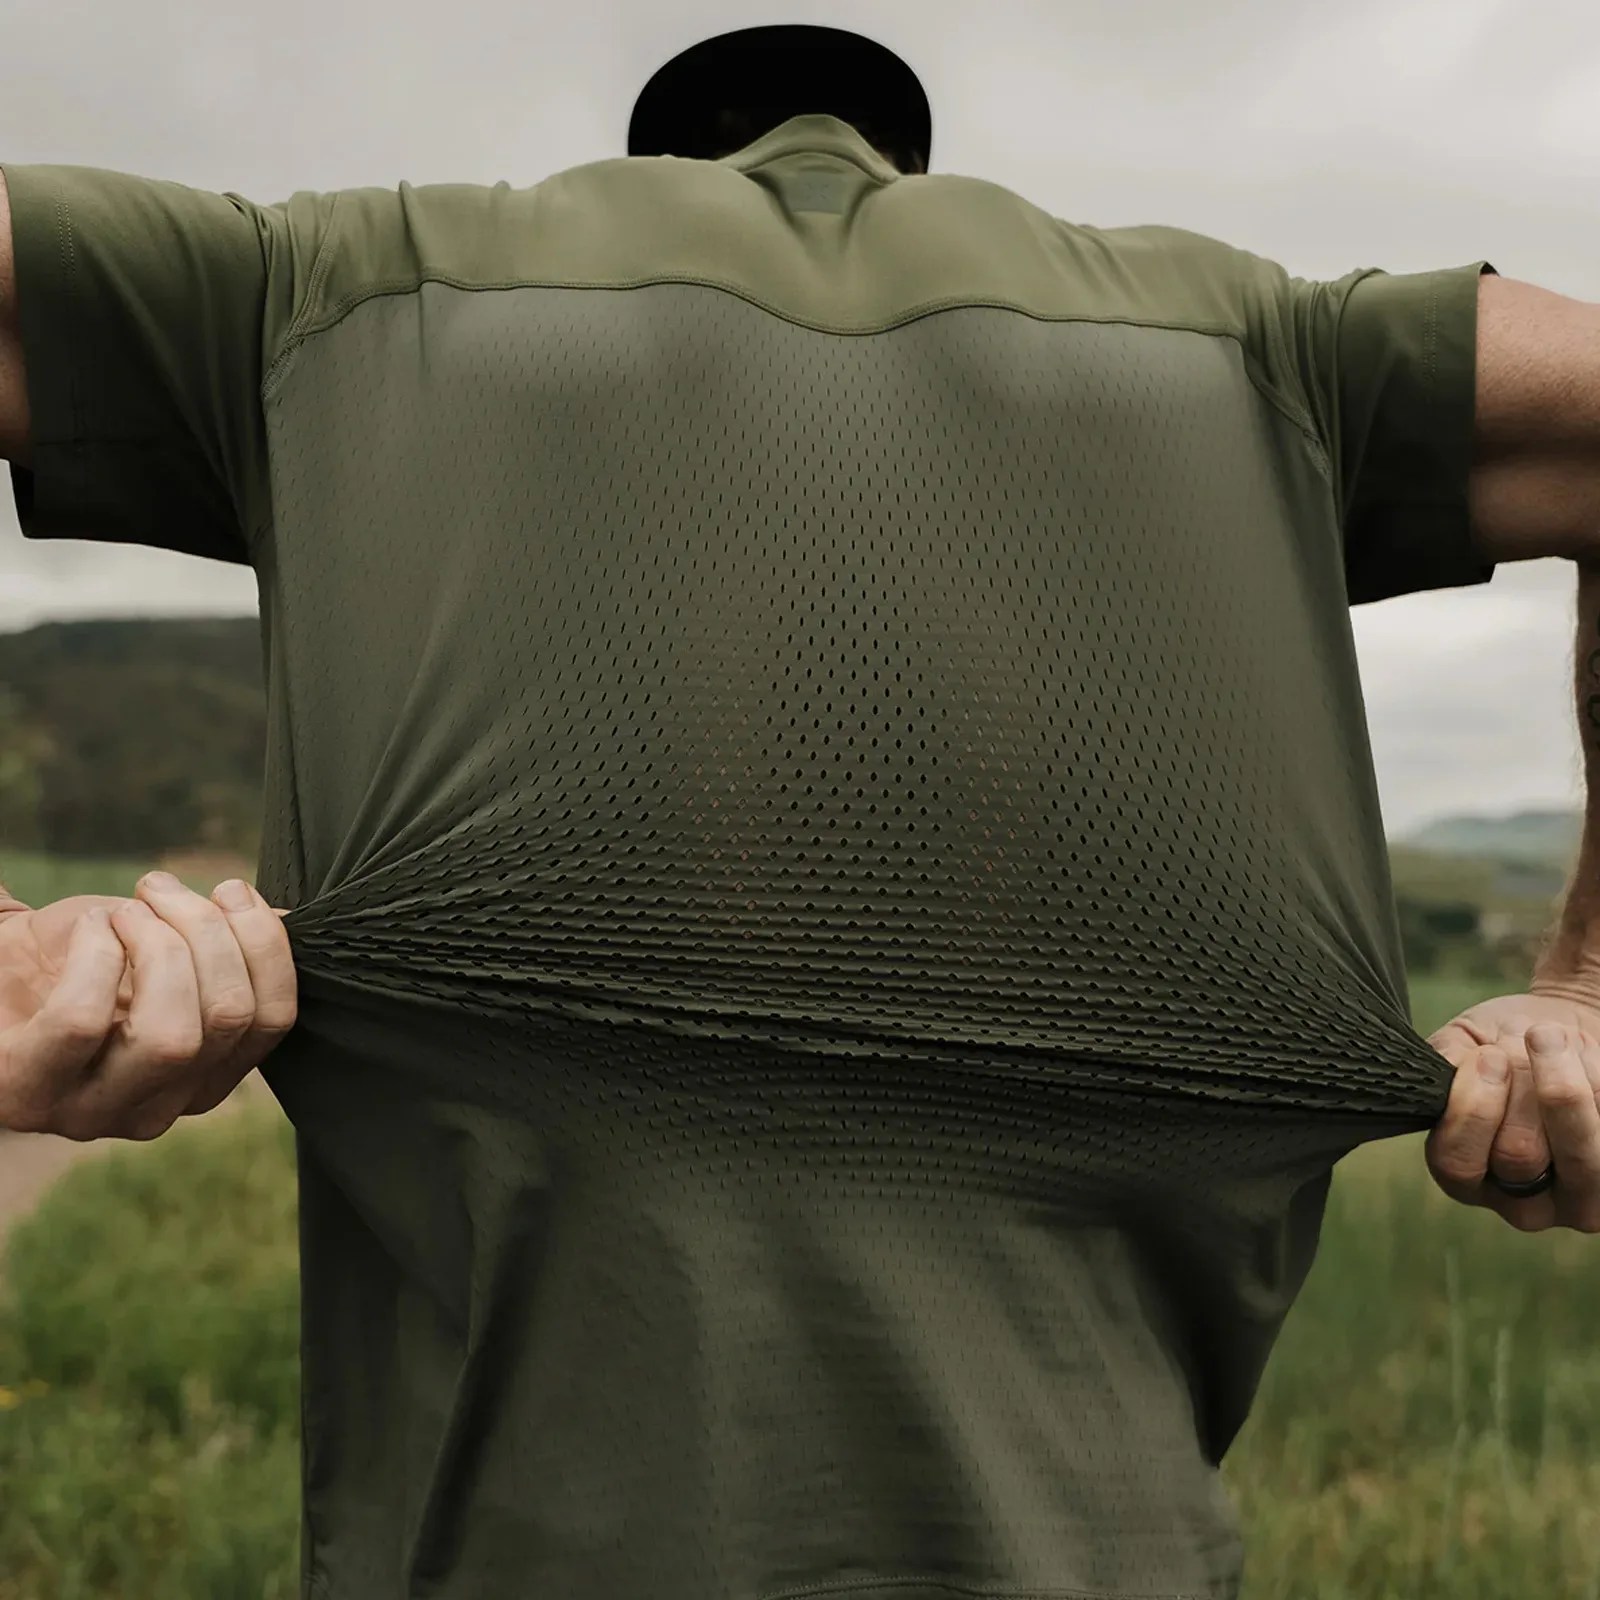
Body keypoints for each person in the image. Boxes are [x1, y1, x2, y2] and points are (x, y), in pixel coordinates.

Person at [1, 18, 1598, 1600]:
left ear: (650, 161)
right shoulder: (1262, 349)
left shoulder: (339, 283)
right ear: (905, 162)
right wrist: (1584, 994)